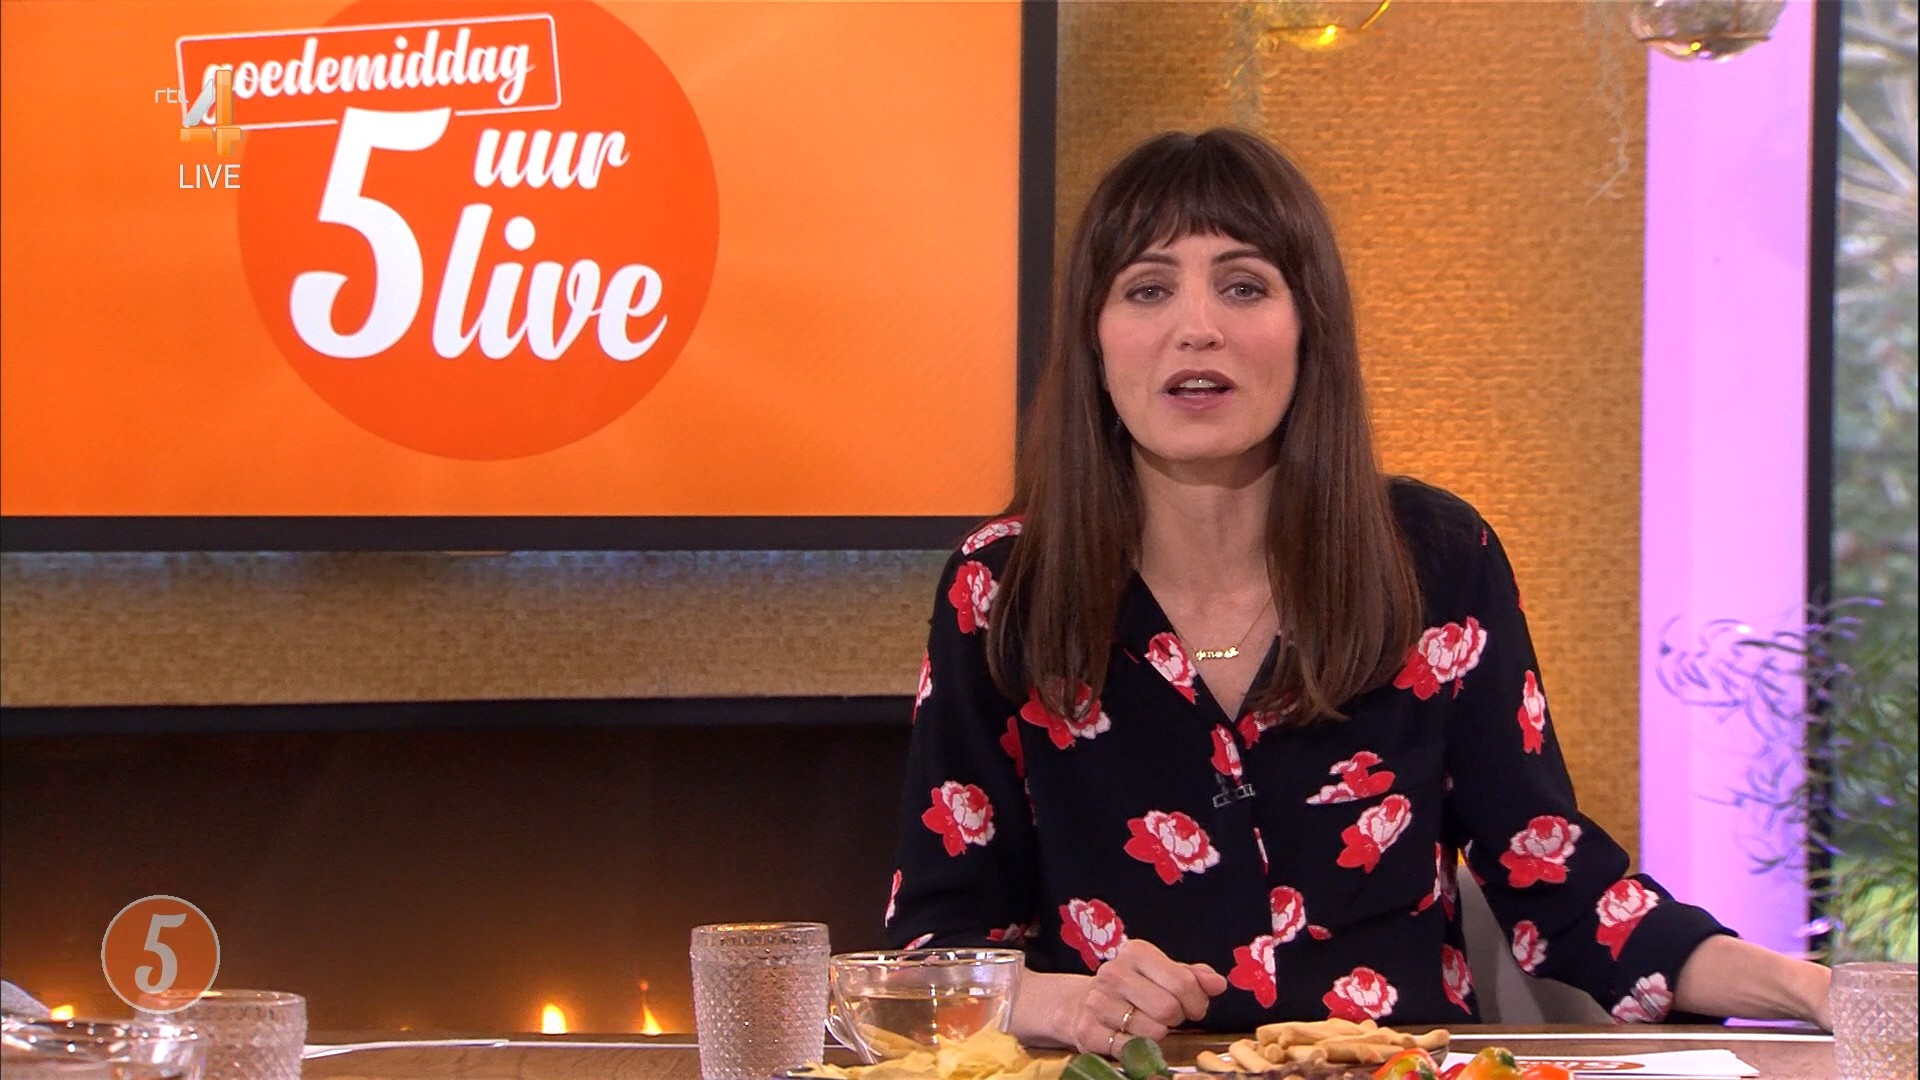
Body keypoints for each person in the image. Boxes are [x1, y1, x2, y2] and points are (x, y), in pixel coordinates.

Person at [883, 128, 1832, 1050]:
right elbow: (936, 950)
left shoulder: (1436, 557)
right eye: (1148, 290)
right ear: (1095, 341)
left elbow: (1559, 886)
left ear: (1310, 328)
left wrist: (1816, 990)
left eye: (1244, 286)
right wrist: (1072, 1004)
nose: (1197, 327)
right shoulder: (1002, 583)